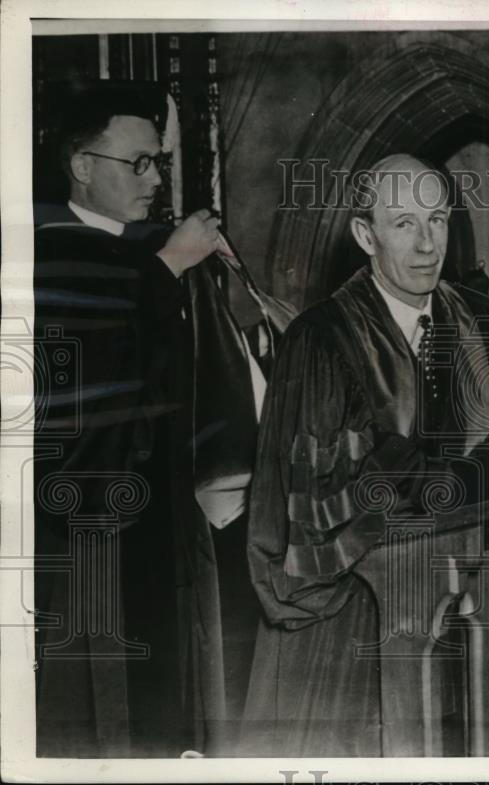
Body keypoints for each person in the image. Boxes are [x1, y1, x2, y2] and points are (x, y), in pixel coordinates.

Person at [241, 153, 489, 756]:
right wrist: (484, 475)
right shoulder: (321, 340)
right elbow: (330, 495)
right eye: (404, 224)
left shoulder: (480, 318)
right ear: (365, 235)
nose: (428, 245)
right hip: (360, 617)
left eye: (438, 220)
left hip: (475, 604)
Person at [33, 83, 227, 757]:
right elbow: (82, 397)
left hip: (165, 514)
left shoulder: (141, 251)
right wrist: (170, 266)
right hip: (94, 518)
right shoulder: (47, 255)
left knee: (172, 702)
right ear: (82, 165)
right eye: (135, 164)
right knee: (106, 712)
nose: (152, 179)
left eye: (157, 164)